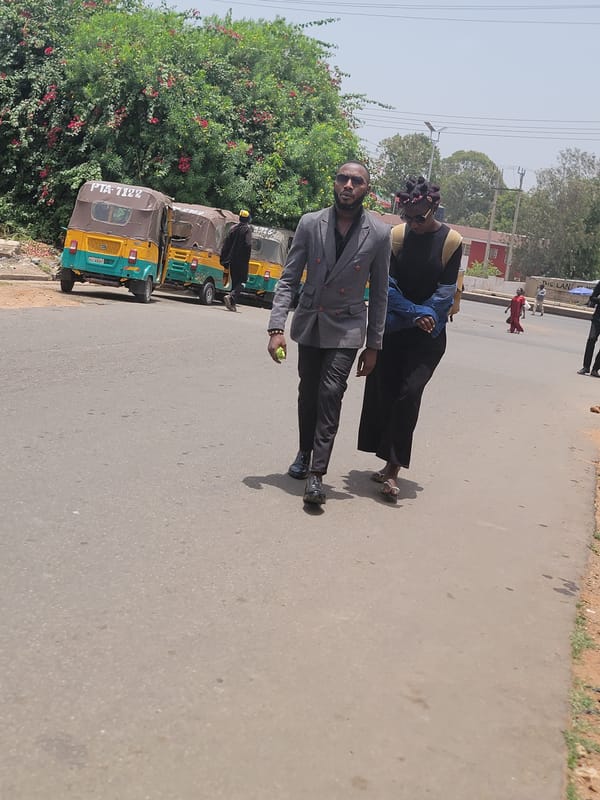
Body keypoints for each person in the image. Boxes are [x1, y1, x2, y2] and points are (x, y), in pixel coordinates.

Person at [267, 161, 390, 506]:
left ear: (367, 189)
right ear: (335, 183)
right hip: (311, 320)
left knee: (330, 392)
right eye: (343, 178)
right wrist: (277, 326)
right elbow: (289, 278)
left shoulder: (379, 234)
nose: (348, 185)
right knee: (308, 392)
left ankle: (317, 474)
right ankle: (305, 451)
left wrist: (374, 345)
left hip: (348, 325)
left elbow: (379, 293)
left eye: (357, 181)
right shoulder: (310, 223)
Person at [357, 176, 462, 503]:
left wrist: (426, 315)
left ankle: (393, 470)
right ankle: (386, 456)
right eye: (408, 216)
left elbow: (446, 291)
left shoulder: (452, 240)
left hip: (428, 336)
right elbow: (386, 285)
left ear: (434, 207)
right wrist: (416, 312)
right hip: (395, 329)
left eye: (421, 216)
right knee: (385, 393)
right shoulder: (396, 237)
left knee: (408, 394)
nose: (414, 223)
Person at [220, 210, 252, 312]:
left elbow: (226, 244)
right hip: (242, 261)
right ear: (248, 219)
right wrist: (246, 258)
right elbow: (248, 244)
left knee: (235, 282)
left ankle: (232, 304)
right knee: (243, 282)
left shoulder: (232, 229)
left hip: (231, 260)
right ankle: (231, 296)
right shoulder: (247, 229)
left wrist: (224, 259)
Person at [577, 280, 600, 377]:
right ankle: (586, 367)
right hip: (597, 319)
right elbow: (592, 298)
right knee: (591, 341)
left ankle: (595, 369)